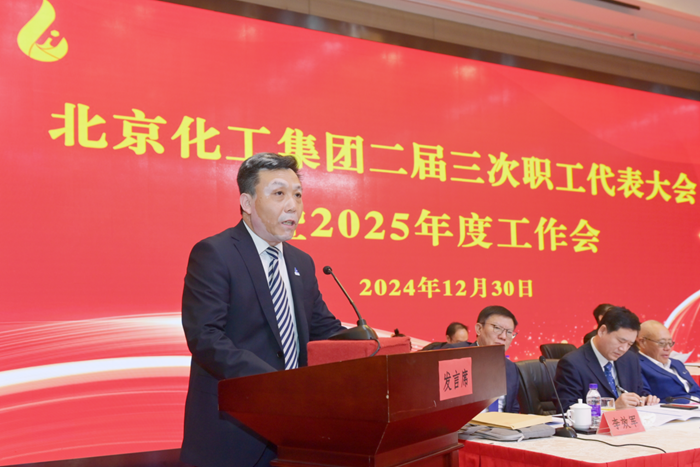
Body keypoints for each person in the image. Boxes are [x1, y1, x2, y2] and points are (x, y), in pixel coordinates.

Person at [180, 153, 344, 467]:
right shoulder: (215, 253)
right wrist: (276, 383)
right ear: (247, 202)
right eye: (279, 193)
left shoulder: (301, 262)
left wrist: (375, 347)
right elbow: (206, 338)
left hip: (295, 431)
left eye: (298, 195)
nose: (293, 205)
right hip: (233, 430)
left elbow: (324, 330)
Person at [555, 306, 659, 411]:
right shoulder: (572, 363)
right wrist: (612, 407)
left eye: (629, 344)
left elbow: (638, 392)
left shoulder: (630, 359)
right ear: (602, 331)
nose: (623, 349)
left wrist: (644, 400)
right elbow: (566, 410)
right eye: (621, 341)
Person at [445, 306, 520, 413]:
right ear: (479, 329)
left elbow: (513, 409)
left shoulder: (511, 368)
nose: (503, 337)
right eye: (497, 328)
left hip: (501, 423)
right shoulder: (455, 358)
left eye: (509, 332)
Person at [637, 320, 700, 403]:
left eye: (670, 343)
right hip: (675, 409)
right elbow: (646, 399)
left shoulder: (677, 363)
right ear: (642, 342)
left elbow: (696, 390)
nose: (667, 348)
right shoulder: (636, 365)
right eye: (662, 343)